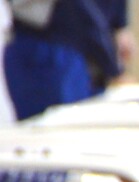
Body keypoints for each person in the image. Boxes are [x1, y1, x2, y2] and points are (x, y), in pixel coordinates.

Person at [3, 0, 131, 120]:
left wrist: (120, 24)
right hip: (44, 45)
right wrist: (113, 68)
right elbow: (81, 12)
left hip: (66, 49)